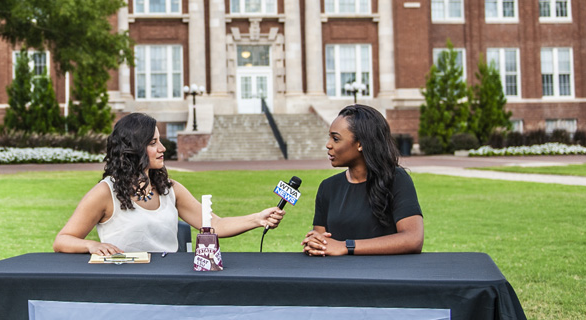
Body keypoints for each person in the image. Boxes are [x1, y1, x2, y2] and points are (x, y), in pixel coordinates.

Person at [54, 113, 285, 255]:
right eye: (153, 142)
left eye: (160, 141)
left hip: (169, 282)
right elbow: (63, 240)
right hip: (125, 284)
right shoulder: (106, 192)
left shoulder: (170, 189)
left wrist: (257, 218)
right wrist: (91, 246)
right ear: (134, 148)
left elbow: (214, 224)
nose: (162, 148)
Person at [302, 105, 424, 257]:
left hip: (383, 276)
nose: (328, 144)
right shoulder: (328, 187)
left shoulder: (396, 179)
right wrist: (315, 243)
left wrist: (347, 246)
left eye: (336, 138)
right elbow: (322, 241)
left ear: (360, 144)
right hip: (338, 276)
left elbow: (413, 239)